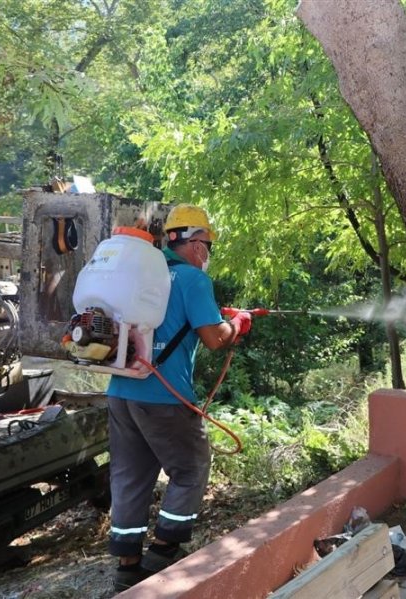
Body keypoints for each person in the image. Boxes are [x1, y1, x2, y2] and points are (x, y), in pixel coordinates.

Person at [105, 204, 252, 591]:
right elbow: (215, 338)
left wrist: (218, 317)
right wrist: (238, 323)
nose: (208, 253)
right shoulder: (191, 280)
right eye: (207, 244)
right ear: (194, 243)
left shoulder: (143, 272)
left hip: (121, 391)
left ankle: (127, 567)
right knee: (190, 468)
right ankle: (162, 556)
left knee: (130, 476)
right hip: (164, 397)